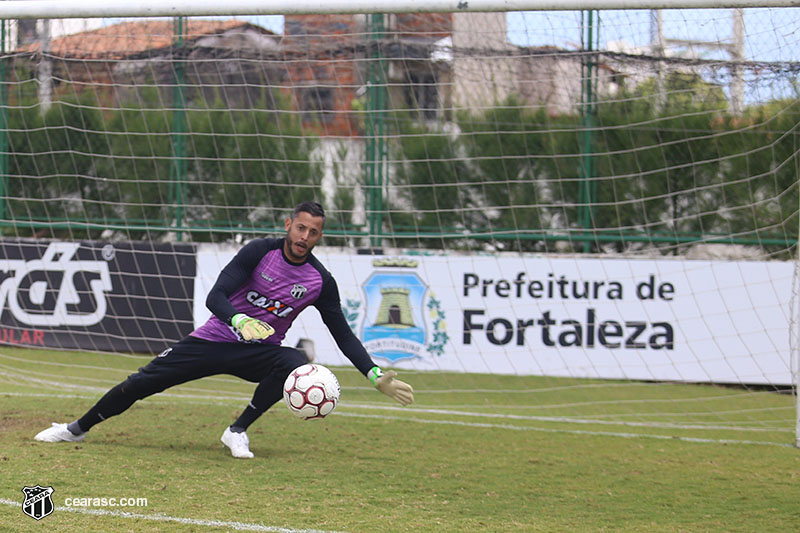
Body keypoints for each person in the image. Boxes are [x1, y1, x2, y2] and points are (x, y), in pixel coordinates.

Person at [34, 201, 414, 459]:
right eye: (300, 228)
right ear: (288, 225)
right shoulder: (259, 251)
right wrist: (240, 320)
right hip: (213, 340)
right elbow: (215, 296)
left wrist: (374, 373)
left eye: (313, 233)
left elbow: (342, 334)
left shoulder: (319, 280)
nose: (304, 237)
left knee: (295, 362)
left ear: (319, 236)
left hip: (257, 352)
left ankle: (237, 430)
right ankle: (76, 428)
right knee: (139, 384)